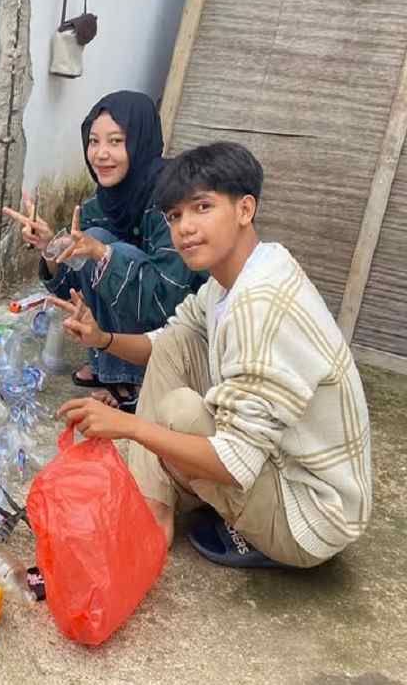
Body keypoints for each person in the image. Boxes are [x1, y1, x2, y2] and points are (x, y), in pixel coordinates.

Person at [53, 142, 372, 569]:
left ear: (245, 209)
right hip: (286, 461)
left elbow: (236, 460)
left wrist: (127, 426)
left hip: (311, 518)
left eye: (203, 207)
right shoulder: (237, 275)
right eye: (175, 216)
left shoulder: (259, 304)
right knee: (177, 342)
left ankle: (236, 527)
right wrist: (102, 339)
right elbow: (165, 340)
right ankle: (155, 505)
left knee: (181, 411)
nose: (185, 227)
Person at [3, 91, 205, 411]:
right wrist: (49, 248)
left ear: (139, 141)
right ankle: (109, 368)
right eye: (93, 141)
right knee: (93, 243)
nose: (100, 154)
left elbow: (169, 295)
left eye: (115, 141)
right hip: (142, 318)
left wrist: (102, 253)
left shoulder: (171, 199)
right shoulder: (102, 203)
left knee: (103, 247)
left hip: (183, 330)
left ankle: (133, 377)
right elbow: (73, 289)